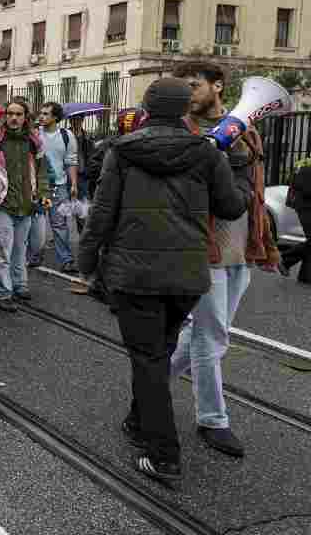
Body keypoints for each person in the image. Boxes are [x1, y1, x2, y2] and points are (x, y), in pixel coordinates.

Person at [78, 77, 245, 484]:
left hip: (133, 275)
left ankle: (163, 454)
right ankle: (139, 422)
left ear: (148, 108)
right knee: (161, 350)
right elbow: (231, 207)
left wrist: (87, 261)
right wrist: (235, 170)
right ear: (183, 109)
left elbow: (102, 213)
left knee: (148, 361)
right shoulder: (206, 154)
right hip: (187, 277)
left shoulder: (123, 151)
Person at [169, 61, 279, 459]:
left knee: (204, 332)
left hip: (240, 247)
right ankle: (213, 420)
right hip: (202, 248)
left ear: (217, 87)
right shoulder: (181, 131)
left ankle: (151, 387)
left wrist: (232, 143)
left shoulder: (247, 132)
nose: (188, 94)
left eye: (194, 85)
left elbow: (253, 190)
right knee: (211, 337)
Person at [0, 98, 48, 312]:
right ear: (5, 116)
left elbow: (43, 170)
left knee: (20, 248)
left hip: (26, 203)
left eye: (18, 114)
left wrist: (42, 193)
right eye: (10, 114)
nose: (14, 118)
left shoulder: (35, 141)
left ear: (26, 118)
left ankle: (19, 284)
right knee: (4, 249)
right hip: (1, 203)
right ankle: (2, 290)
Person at [84, 107, 147, 308]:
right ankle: (110, 290)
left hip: (113, 204)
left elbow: (92, 171)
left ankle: (106, 287)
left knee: (112, 247)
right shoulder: (123, 146)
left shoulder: (108, 145)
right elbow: (93, 171)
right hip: (122, 206)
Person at [37, 102, 78, 274]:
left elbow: (71, 161)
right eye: (41, 113)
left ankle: (66, 260)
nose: (41, 116)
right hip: (37, 186)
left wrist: (74, 184)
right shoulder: (34, 134)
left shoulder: (66, 135)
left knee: (60, 224)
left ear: (55, 117)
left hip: (59, 186)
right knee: (35, 224)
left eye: (46, 114)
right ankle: (34, 256)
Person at [283, 159, 311, 283]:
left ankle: (305, 276)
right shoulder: (306, 165)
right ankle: (285, 260)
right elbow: (305, 188)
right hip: (306, 207)